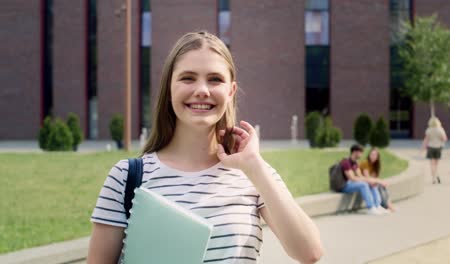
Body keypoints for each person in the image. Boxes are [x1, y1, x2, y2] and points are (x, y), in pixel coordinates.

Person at [87, 31, 323, 264]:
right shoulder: (126, 177)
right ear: (170, 88)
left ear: (230, 91)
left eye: (215, 79)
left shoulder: (254, 174)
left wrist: (254, 165)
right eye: (188, 78)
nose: (202, 90)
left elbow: (309, 252)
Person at [340, 144, 388, 215]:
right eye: (360, 152)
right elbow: (352, 178)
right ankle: (371, 207)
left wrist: (372, 181)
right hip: (344, 185)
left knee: (369, 183)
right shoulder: (346, 162)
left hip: (350, 184)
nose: (361, 154)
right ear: (355, 152)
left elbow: (360, 176)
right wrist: (373, 181)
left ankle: (377, 205)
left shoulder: (355, 163)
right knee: (363, 184)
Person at [359, 148, 396, 212]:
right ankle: (387, 206)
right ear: (369, 155)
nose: (373, 156)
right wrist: (379, 181)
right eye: (372, 154)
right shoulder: (365, 163)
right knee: (379, 186)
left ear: (377, 157)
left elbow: (375, 178)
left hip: (371, 182)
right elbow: (367, 177)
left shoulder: (376, 165)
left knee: (382, 186)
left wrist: (378, 181)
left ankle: (388, 204)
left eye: (375, 155)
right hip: (364, 181)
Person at [421, 117, 447, 184]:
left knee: (432, 164)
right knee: (436, 164)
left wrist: (423, 148)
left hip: (430, 147)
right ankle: (436, 175)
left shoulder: (428, 130)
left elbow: (426, 140)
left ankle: (433, 178)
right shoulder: (441, 130)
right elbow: (444, 139)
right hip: (438, 147)